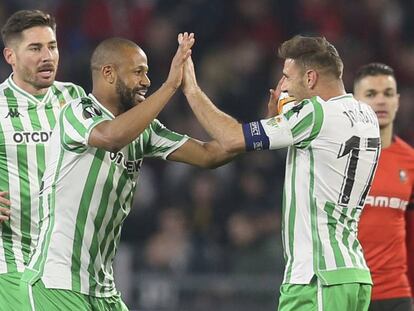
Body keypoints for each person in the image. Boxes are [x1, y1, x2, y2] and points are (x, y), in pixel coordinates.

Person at [20, 34, 234, 310]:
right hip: (58, 282)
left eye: (147, 73)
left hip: (103, 288)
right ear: (108, 73)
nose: (146, 81)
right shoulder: (76, 111)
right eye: (138, 72)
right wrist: (170, 86)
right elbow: (110, 137)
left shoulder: (144, 130)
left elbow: (209, 155)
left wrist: (263, 134)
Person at [181, 35, 381, 310]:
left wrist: (191, 89)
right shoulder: (367, 115)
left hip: (316, 277)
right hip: (353, 274)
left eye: (287, 76)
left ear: (310, 78)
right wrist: (277, 121)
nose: (283, 85)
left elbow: (230, 138)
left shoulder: (313, 114)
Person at [0, 9, 86, 310]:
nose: (47, 56)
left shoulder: (74, 98)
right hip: (12, 262)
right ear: (10, 55)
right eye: (35, 48)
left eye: (52, 46)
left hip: (68, 266)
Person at [354, 63, 414, 311]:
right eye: (371, 94)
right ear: (354, 102)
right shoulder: (338, 157)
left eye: (388, 94)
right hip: (347, 292)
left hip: (396, 294)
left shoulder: (410, 162)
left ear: (397, 101)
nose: (381, 101)